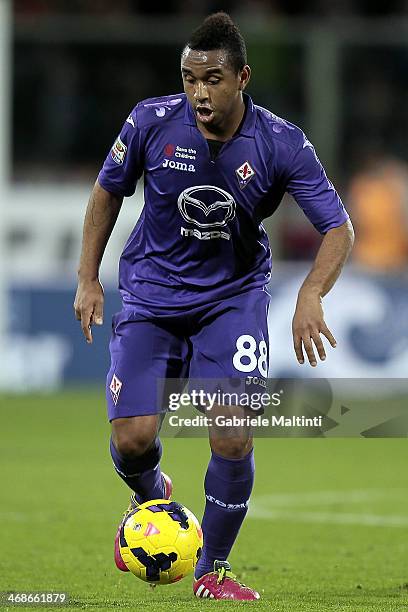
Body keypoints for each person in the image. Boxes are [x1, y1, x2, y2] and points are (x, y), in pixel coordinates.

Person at [74, 12, 354, 600]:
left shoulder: (280, 143)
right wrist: (88, 279)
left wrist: (309, 294)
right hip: (151, 294)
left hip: (232, 300)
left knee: (231, 433)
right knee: (132, 438)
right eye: (189, 78)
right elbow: (106, 192)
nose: (199, 91)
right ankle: (153, 494)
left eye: (212, 79)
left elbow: (337, 228)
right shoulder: (151, 121)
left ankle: (213, 570)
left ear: (242, 78)